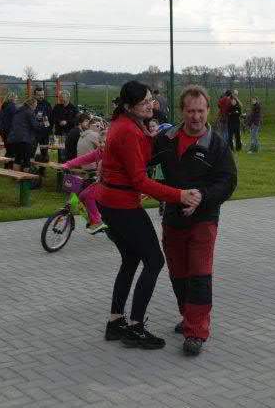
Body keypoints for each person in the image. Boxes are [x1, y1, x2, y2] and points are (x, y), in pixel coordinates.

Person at [97, 80, 202, 350]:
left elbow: (137, 154)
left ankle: (115, 322)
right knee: (154, 261)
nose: (150, 105)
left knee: (131, 259)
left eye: (150, 100)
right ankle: (135, 328)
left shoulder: (126, 124)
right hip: (122, 205)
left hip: (109, 201)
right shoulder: (128, 131)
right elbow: (140, 181)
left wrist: (153, 137)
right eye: (144, 102)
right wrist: (179, 195)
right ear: (129, 106)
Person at [151, 85, 237, 356]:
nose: (196, 117)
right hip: (173, 217)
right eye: (190, 111)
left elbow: (228, 182)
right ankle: (188, 315)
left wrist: (203, 196)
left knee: (199, 274)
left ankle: (196, 331)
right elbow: (146, 164)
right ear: (182, 111)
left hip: (204, 219)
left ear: (208, 110)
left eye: (200, 111)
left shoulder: (217, 145)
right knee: (178, 273)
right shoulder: (165, 139)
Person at [62, 146, 107, 234]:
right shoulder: (99, 152)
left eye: (105, 142)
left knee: (88, 194)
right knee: (81, 194)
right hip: (97, 178)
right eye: (101, 142)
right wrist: (68, 164)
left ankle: (97, 221)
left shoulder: (112, 153)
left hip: (108, 183)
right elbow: (85, 158)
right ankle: (92, 219)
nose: (102, 145)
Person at [7, 97, 45, 172]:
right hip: (25, 139)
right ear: (32, 105)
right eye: (35, 105)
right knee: (26, 160)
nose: (36, 107)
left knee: (17, 158)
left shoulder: (18, 111)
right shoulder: (29, 112)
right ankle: (26, 178)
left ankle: (16, 176)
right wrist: (43, 124)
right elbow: (35, 126)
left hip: (14, 138)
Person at [32, 87, 53, 162]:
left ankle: (42, 168)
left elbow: (51, 118)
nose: (41, 96)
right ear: (35, 95)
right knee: (31, 152)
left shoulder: (47, 104)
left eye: (42, 95)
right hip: (34, 133)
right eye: (39, 95)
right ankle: (30, 167)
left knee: (44, 153)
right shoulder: (31, 104)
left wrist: (49, 130)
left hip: (45, 133)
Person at [0, 93, 18, 162]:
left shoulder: (3, 106)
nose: (16, 100)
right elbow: (16, 119)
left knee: (8, 149)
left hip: (2, 130)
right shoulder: (13, 107)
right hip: (10, 131)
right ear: (12, 98)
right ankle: (10, 165)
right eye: (16, 98)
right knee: (12, 151)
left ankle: (7, 165)